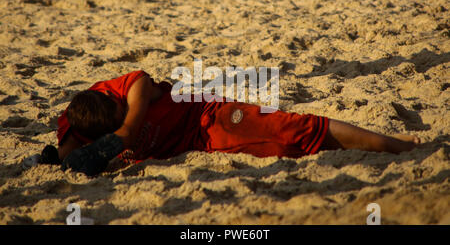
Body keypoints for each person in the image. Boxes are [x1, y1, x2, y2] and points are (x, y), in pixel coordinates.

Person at [43, 70, 420, 176]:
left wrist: (113, 141)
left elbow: (127, 133)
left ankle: (397, 146)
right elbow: (67, 157)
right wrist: (68, 158)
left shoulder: (133, 88)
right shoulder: (73, 124)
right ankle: (382, 142)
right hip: (189, 150)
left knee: (291, 129)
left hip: (204, 119)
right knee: (285, 153)